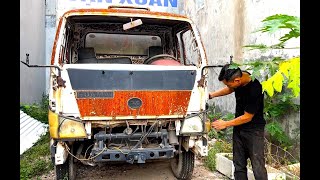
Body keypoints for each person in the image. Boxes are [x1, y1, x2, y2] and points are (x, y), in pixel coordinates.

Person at [209, 64, 268, 180]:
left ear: (237, 80)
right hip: (239, 128)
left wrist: (225, 124)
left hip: (254, 131)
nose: (228, 87)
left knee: (258, 166)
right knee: (239, 164)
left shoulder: (255, 89)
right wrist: (211, 95)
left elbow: (247, 117)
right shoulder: (239, 79)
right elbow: (230, 89)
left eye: (228, 84)